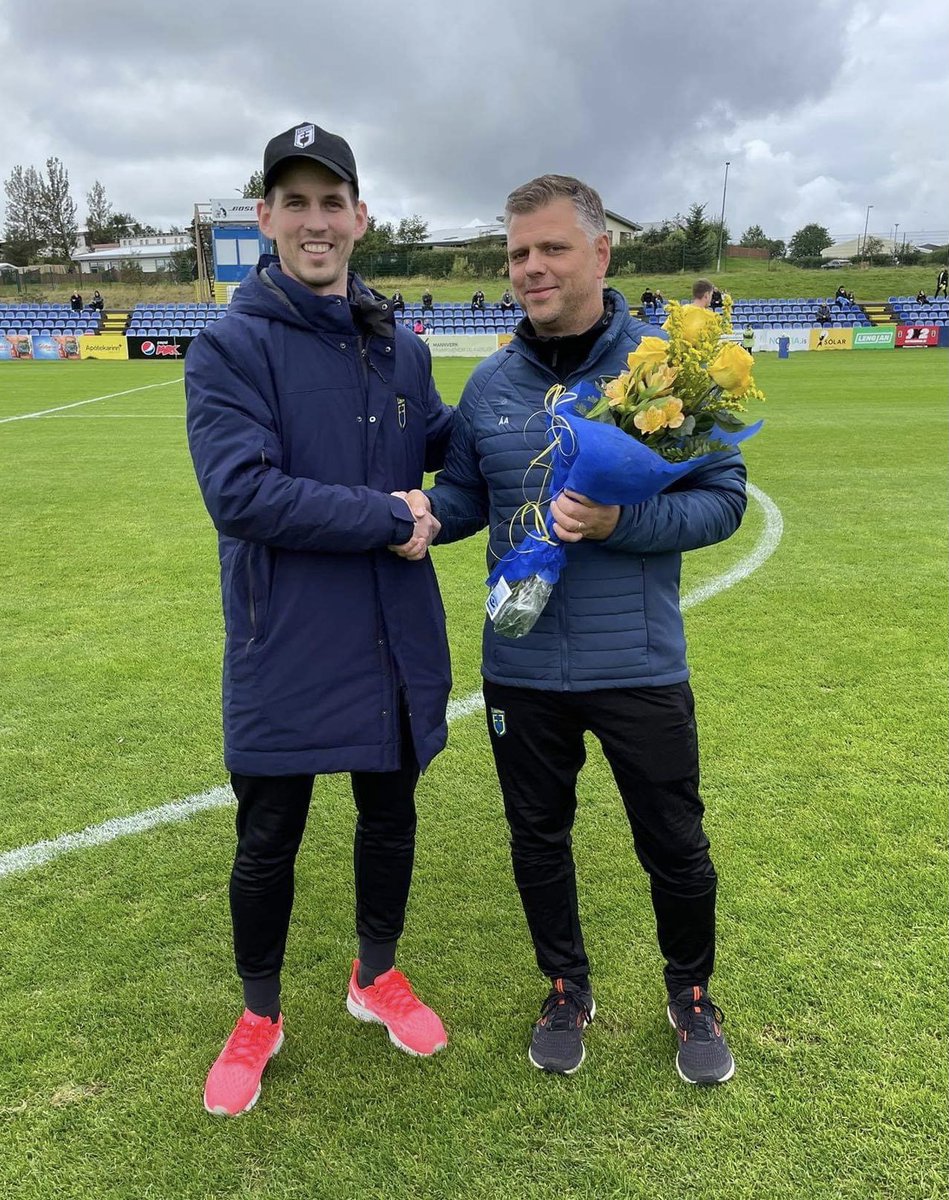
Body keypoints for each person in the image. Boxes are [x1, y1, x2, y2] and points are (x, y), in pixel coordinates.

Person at [411, 174, 745, 1084]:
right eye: (518, 252)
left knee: (673, 841)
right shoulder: (487, 384)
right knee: (535, 838)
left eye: (552, 248)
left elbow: (722, 504)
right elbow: (468, 499)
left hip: (637, 660)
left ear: (601, 253)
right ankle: (564, 985)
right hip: (519, 664)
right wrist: (418, 514)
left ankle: (690, 992)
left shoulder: (665, 373)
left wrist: (618, 524)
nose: (531, 267)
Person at [185, 121, 456, 1118]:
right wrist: (393, 515)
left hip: (392, 638)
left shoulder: (401, 347)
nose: (314, 220)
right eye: (293, 201)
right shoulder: (227, 347)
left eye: (330, 201)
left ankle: (373, 975)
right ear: (264, 216)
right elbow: (243, 494)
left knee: (390, 819)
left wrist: (565, 414)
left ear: (360, 217)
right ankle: (259, 1015)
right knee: (268, 840)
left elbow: (453, 460)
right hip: (284, 641)